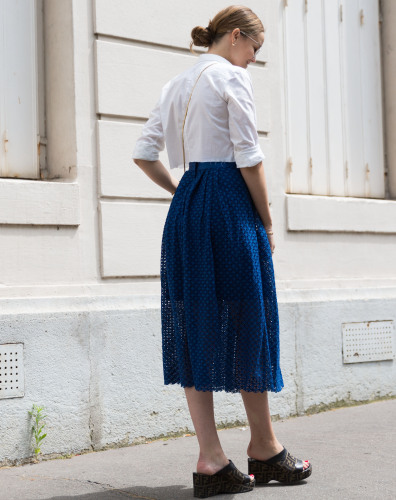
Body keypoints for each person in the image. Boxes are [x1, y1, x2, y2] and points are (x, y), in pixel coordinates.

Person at [132, 5, 312, 498]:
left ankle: (212, 459)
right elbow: (250, 158)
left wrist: (181, 192)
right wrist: (269, 222)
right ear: (236, 37)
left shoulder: (176, 84)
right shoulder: (231, 78)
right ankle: (265, 448)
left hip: (189, 206)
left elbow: (144, 151)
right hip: (230, 204)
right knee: (250, 315)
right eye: (255, 48)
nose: (253, 59)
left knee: (197, 321)